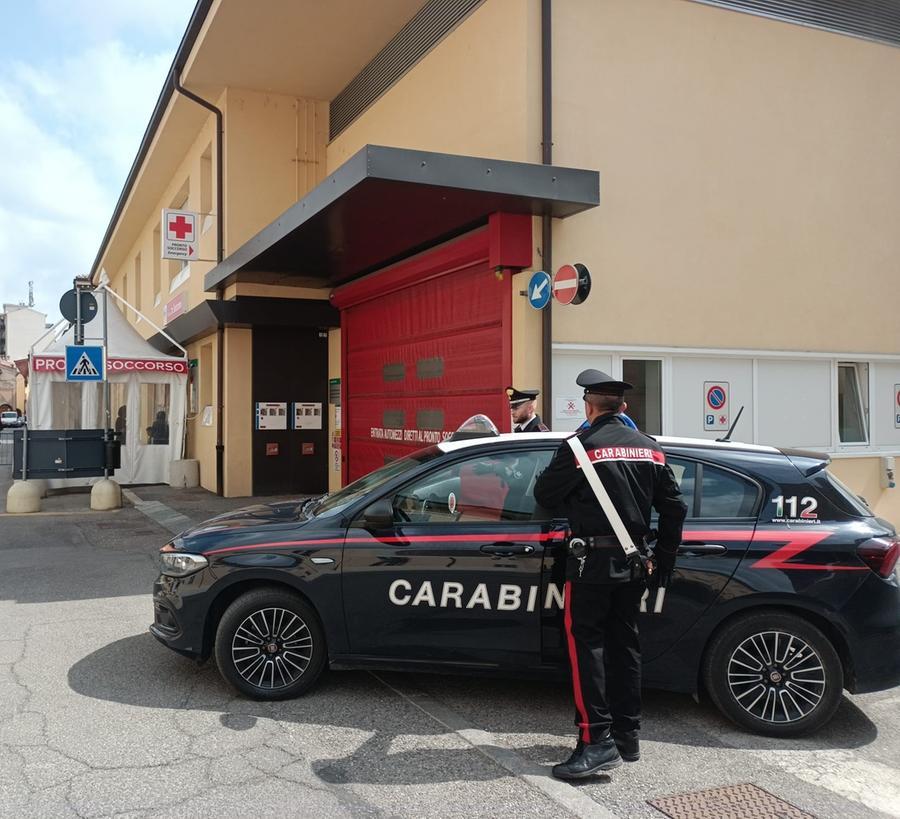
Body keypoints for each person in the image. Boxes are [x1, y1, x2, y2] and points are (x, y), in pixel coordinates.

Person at [533, 368, 686, 780]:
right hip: (636, 565)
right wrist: (664, 562)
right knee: (625, 644)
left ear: (588, 407)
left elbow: (544, 496)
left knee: (588, 649)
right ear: (624, 408)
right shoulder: (650, 449)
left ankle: (595, 741)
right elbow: (674, 509)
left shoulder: (579, 448)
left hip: (589, 566)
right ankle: (626, 735)